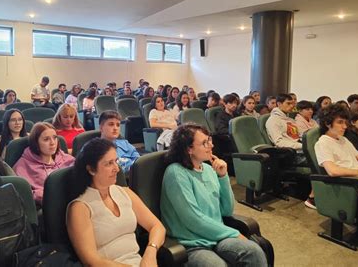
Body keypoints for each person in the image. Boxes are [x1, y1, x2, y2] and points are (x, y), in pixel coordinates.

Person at [160, 124, 267, 267]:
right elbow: (193, 220)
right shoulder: (176, 173)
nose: (211, 145)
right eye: (204, 143)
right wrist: (234, 233)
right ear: (188, 149)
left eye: (209, 140)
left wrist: (223, 177)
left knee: (254, 251)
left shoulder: (209, 170)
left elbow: (226, 210)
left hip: (216, 237)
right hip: (192, 243)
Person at [67, 138, 165, 266]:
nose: (117, 169)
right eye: (109, 163)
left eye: (116, 161)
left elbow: (157, 227)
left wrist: (150, 252)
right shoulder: (80, 207)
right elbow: (92, 261)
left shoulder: (125, 192)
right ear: (91, 169)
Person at [315, 104, 358, 204]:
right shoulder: (323, 143)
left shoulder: (343, 139)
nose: (345, 126)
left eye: (345, 122)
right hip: (353, 186)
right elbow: (333, 171)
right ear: (327, 123)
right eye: (340, 122)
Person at [13, 122, 75, 204]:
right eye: (46, 139)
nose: (52, 143)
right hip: (48, 208)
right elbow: (23, 194)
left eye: (55, 137)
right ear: (36, 143)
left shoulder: (65, 158)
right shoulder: (23, 165)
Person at [213, 94, 239, 158]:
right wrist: (235, 132)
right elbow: (221, 130)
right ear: (225, 104)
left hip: (238, 138)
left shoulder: (237, 114)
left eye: (235, 103)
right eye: (231, 103)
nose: (234, 105)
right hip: (227, 141)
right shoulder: (220, 115)